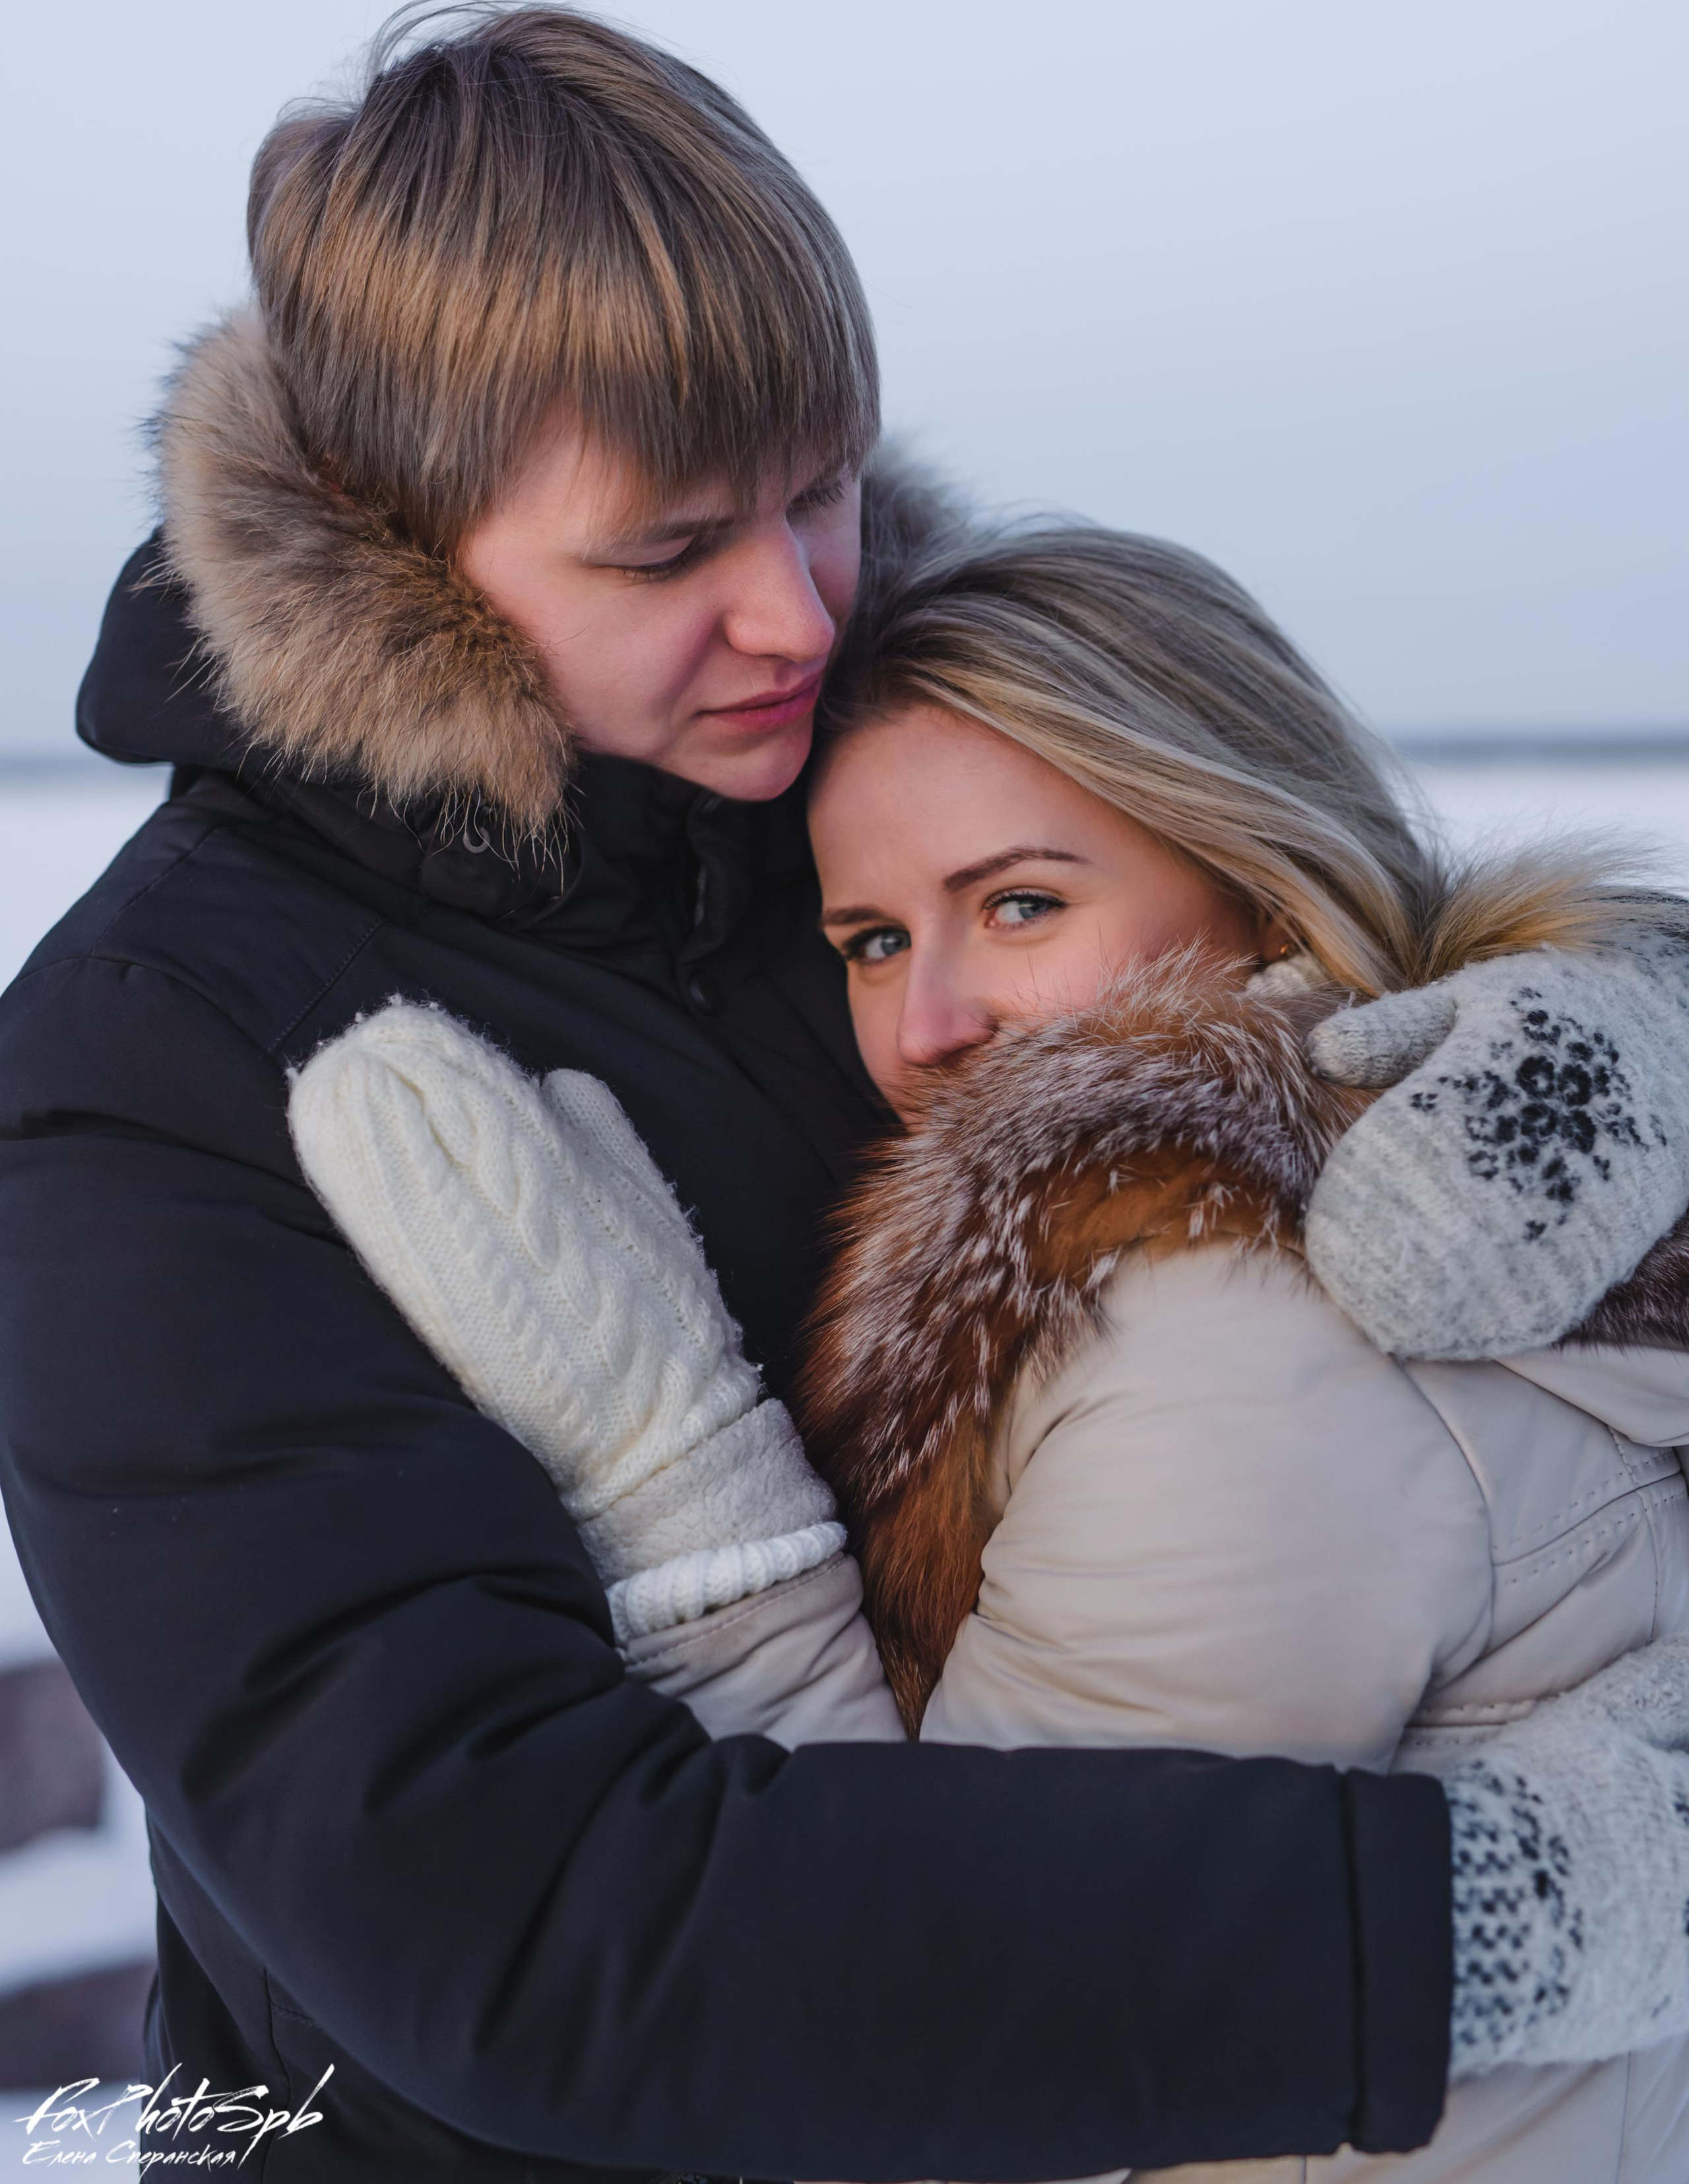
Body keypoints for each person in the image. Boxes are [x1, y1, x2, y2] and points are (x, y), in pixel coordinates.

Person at [4, 1, 1689, 2181]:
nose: (793, 611)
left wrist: (1606, 1040)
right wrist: (1491, 1917)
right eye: (669, 549)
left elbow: (1326, 899)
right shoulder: (159, 1061)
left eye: (821, 492)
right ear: (391, 542)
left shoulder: (850, 801)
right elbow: (522, 1933)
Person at [292, 523, 1689, 2183]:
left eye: (1018, 904)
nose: (925, 1023)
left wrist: (688, 1501)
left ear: (1259, 878)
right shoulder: (1452, 1182)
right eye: (871, 941)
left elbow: (950, 2025)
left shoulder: (1235, 1345)